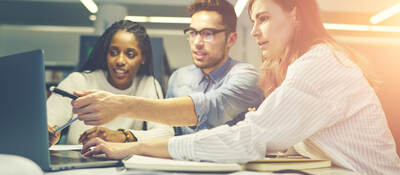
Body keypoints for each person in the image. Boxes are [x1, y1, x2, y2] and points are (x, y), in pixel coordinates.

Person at [80, 0, 400, 174]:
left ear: (295, 15)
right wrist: (129, 137)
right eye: (192, 33)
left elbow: (248, 137)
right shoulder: (306, 65)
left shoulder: (319, 65)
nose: (256, 32)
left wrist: (134, 143)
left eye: (264, 19)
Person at [71, 0, 264, 135]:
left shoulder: (247, 76)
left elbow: (212, 106)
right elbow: (169, 133)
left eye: (208, 34)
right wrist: (124, 141)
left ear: (231, 38)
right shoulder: (179, 78)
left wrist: (121, 105)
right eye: (193, 32)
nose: (197, 42)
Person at [47, 20, 174, 146]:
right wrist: (48, 133)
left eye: (130, 54)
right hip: (78, 161)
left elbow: (166, 132)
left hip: (122, 163)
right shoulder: (79, 81)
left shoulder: (147, 84)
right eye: (113, 52)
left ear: (143, 58)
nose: (120, 61)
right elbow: (45, 124)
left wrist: (122, 136)